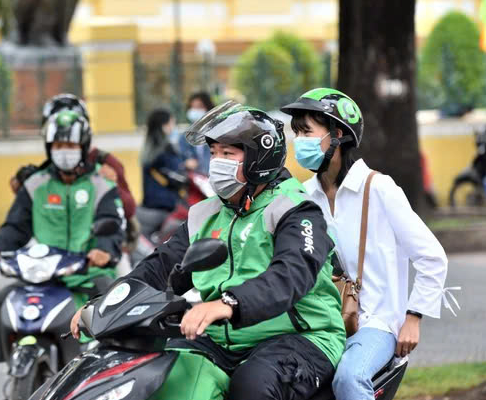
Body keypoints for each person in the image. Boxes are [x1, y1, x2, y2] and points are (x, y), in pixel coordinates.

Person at [72, 102, 346, 400]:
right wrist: (104, 305)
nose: (217, 163)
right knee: (162, 372)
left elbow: (290, 276)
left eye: (229, 154)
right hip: (222, 337)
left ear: (259, 159)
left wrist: (228, 304)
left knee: (252, 386)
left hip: (301, 337)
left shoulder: (296, 210)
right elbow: (159, 267)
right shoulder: (205, 214)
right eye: (214, 153)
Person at [280, 88, 451, 400]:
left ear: (338, 135)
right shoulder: (302, 195)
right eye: (296, 133)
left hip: (377, 324)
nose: (298, 141)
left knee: (350, 378)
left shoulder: (379, 189)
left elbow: (432, 257)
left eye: (306, 132)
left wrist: (412, 318)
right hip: (320, 324)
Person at [0, 109, 125, 362]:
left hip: (88, 273)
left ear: (83, 146)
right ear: (49, 148)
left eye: (70, 144)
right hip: (43, 274)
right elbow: (16, 225)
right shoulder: (36, 184)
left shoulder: (102, 183)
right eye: (58, 145)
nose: (64, 151)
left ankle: (112, 366)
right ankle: (12, 362)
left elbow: (111, 222)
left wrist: (104, 249)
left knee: (116, 309)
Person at [10, 93, 140, 255]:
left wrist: (111, 186)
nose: (64, 138)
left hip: (107, 247)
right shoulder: (50, 168)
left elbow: (128, 208)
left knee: (120, 277)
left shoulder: (104, 162)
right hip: (60, 250)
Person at [137, 108, 196, 237]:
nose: (173, 127)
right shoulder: (166, 149)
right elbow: (179, 177)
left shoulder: (148, 150)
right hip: (165, 207)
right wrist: (186, 166)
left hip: (149, 204)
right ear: (164, 126)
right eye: (172, 123)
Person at [179, 91, 215, 174]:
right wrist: (186, 163)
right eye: (192, 107)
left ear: (208, 108)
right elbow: (180, 160)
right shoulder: (184, 137)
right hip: (196, 182)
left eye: (199, 107)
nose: (195, 111)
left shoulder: (217, 133)